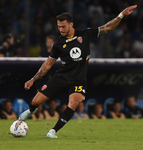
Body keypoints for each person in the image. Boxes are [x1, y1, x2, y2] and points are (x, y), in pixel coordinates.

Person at [19, 5, 137, 138]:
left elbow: (107, 28)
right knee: (35, 101)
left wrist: (121, 15)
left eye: (63, 26)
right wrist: (33, 79)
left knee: (74, 103)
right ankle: (31, 110)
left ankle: (53, 131)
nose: (61, 29)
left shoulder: (85, 34)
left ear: (71, 25)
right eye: (59, 27)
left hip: (78, 79)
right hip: (62, 77)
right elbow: (47, 65)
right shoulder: (58, 44)